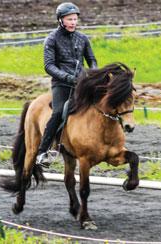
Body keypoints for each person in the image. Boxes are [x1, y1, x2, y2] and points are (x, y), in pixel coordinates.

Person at [36, 2, 97, 167]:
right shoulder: (51, 39)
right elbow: (49, 66)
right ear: (61, 20)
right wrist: (68, 77)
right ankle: (43, 152)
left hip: (82, 83)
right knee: (57, 113)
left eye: (75, 19)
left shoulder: (83, 38)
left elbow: (91, 60)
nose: (73, 22)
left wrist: (93, 73)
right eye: (69, 19)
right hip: (61, 84)